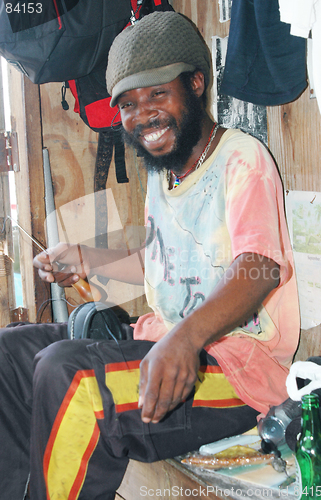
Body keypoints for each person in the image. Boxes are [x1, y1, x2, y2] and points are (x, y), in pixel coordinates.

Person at [0, 11, 300, 500]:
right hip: (167, 345)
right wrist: (85, 256)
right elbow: (161, 260)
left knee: (70, 377)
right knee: (12, 353)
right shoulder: (165, 173)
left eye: (157, 94)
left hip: (238, 372)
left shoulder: (242, 160)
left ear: (196, 83)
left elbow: (258, 267)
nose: (143, 116)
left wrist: (185, 338)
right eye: (128, 104)